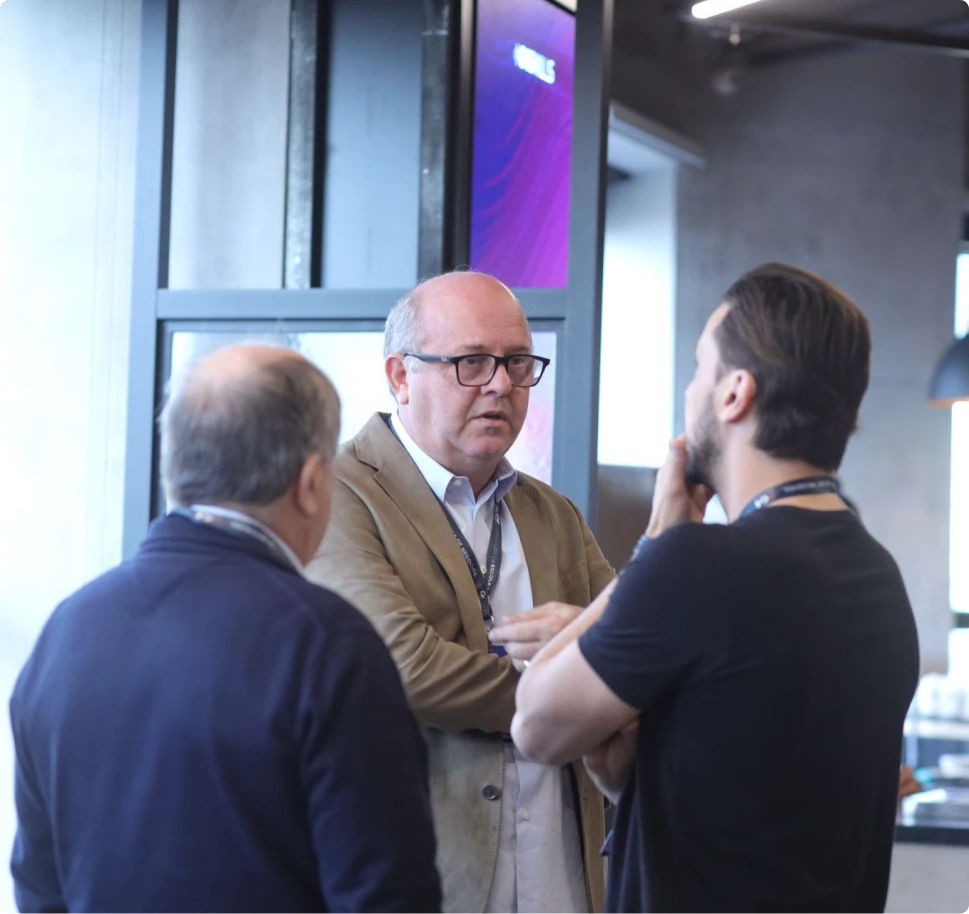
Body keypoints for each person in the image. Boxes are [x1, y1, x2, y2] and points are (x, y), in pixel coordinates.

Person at [508, 263, 920, 914]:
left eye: (699, 366)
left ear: (734, 394)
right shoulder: (878, 576)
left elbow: (536, 725)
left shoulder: (697, 563)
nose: (689, 389)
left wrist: (657, 540)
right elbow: (753, 804)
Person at [9, 344, 442, 914]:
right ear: (312, 483)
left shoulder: (66, 632)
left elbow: (41, 891)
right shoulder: (328, 646)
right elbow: (387, 898)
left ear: (176, 466)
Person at [307, 271, 615, 914]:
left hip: (561, 881)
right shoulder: (337, 492)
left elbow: (636, 650)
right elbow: (405, 668)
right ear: (400, 376)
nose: (500, 384)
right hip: (427, 877)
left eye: (517, 362)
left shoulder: (552, 513)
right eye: (471, 362)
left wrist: (600, 657)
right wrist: (576, 684)